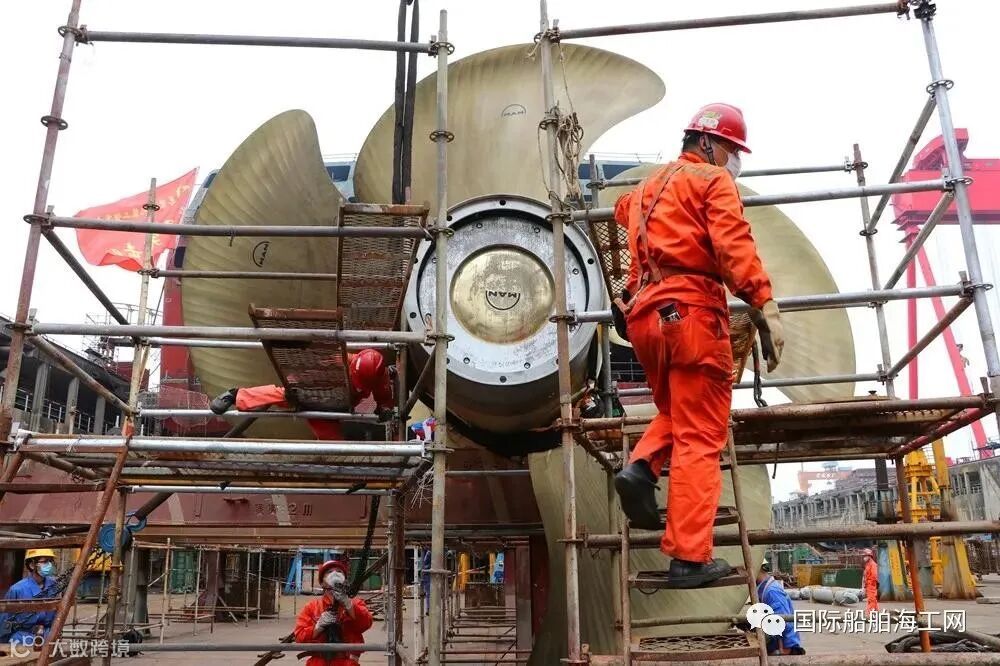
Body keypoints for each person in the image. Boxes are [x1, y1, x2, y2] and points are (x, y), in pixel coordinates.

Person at [611, 103, 785, 588]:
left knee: (678, 413)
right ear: (706, 143)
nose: (734, 160)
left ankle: (641, 466)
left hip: (645, 318)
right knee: (701, 436)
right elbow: (734, 244)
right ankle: (689, 558)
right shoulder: (712, 181)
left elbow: (623, 212)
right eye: (730, 148)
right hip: (691, 316)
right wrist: (764, 304)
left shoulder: (644, 191)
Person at [210, 348, 395, 439]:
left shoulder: (380, 376)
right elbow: (308, 370)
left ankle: (340, 471)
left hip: (335, 408)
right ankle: (234, 395)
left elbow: (384, 397)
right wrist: (295, 385)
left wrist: (384, 409)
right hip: (314, 395)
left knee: (334, 443)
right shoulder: (339, 361)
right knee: (279, 395)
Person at [293, 559, 373, 666]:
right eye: (329, 572)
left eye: (339, 571)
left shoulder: (355, 604)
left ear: (345, 580)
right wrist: (317, 627)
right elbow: (299, 637)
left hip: (346, 662)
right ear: (322, 582)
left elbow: (366, 623)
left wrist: (349, 606)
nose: (335, 574)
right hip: (318, 662)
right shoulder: (312, 607)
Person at [0, 549, 60, 648]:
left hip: (48, 636)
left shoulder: (53, 585)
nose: (49, 565)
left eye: (50, 561)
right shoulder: (17, 589)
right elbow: (4, 621)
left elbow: (56, 616)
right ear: (32, 565)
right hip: (22, 639)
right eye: (45, 561)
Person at [756, 559, 805, 655]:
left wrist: (784, 650)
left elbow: (783, 622)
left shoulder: (772, 591)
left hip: (784, 648)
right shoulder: (764, 588)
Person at [862, 547, 879, 616]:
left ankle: (870, 614)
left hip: (871, 585)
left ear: (869, 556)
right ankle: (875, 613)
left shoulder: (873, 564)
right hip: (869, 585)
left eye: (865, 556)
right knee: (873, 600)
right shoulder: (868, 564)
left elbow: (874, 576)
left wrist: (870, 584)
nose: (864, 557)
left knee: (871, 600)